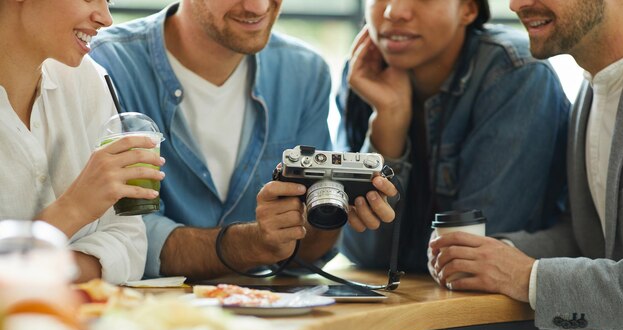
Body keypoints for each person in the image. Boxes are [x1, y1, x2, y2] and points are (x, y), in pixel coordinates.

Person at [336, 0, 601, 330]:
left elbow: (467, 257)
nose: (393, 13)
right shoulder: (364, 76)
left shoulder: (515, 74)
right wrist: (387, 124)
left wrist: (397, 245)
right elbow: (364, 252)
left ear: (468, 10)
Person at [89, 0, 397, 281]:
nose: (257, 7)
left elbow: (306, 250)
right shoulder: (106, 66)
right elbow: (127, 236)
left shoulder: (304, 73)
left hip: (272, 322)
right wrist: (253, 243)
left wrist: (332, 213)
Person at [430, 0, 623, 330]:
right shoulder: (590, 96)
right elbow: (590, 240)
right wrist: (494, 254)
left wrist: (529, 277)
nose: (515, 3)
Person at [0, 0, 162, 283]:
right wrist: (73, 209)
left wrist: (34, 271)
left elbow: (130, 243)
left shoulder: (86, 77)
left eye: (108, 1)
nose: (106, 19)